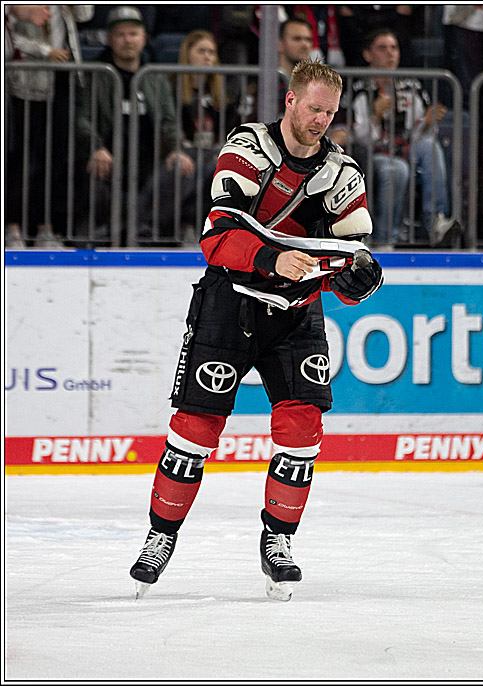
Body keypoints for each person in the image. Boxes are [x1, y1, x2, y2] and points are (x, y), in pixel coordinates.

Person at [128, 59, 384, 602]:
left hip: (297, 312)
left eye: (330, 113)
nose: (321, 120)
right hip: (230, 304)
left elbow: (352, 259)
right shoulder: (245, 150)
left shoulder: (344, 174)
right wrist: (273, 258)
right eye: (314, 108)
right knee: (194, 428)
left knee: (304, 428)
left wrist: (360, 277)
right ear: (289, 101)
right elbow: (217, 238)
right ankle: (160, 535)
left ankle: (279, 542)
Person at [74, 5, 194, 245]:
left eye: (133, 34)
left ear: (144, 38)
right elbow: (82, 119)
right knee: (91, 175)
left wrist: (175, 149)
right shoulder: (96, 74)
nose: (127, 40)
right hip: (108, 160)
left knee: (185, 168)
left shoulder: (155, 76)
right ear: (109, 39)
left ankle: (145, 230)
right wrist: (95, 147)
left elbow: (169, 121)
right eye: (120, 34)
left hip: (149, 162)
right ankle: (104, 231)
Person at [350, 28, 461, 249]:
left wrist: (427, 124)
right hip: (372, 152)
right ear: (367, 54)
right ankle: (384, 239)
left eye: (394, 48)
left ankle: (437, 222)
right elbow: (355, 138)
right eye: (382, 48)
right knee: (396, 168)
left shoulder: (412, 86)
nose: (390, 53)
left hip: (406, 148)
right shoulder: (357, 89)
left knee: (430, 147)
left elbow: (417, 133)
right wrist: (375, 117)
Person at [5, 3, 94, 249]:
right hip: (27, 80)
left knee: (55, 158)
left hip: (64, 76)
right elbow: (10, 35)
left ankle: (46, 228)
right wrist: (45, 50)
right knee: (23, 157)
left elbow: (86, 13)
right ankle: (12, 227)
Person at [173, 29, 242, 244]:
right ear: (187, 54)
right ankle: (187, 225)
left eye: (211, 52)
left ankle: (198, 227)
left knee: (217, 168)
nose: (207, 57)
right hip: (184, 151)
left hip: (213, 152)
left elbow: (231, 130)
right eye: (201, 51)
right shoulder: (172, 85)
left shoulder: (223, 93)